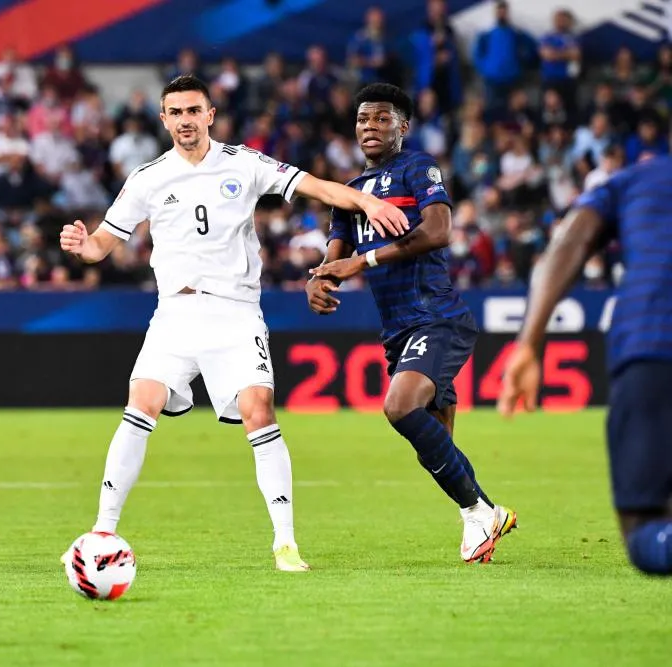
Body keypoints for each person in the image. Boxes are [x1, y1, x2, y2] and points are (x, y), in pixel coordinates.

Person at [58, 75, 410, 572]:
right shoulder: (147, 178)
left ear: (210, 115)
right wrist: (81, 245)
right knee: (141, 403)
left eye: (193, 111)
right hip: (174, 314)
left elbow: (315, 186)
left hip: (236, 312)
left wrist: (368, 202)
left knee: (258, 411)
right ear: (164, 120)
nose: (185, 120)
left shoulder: (244, 163)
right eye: (175, 112)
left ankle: (285, 544)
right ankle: (102, 531)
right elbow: (100, 246)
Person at [308, 83, 517, 563]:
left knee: (399, 406)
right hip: (398, 329)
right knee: (435, 445)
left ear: (402, 126)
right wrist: (317, 280)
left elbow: (438, 231)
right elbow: (335, 255)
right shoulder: (350, 193)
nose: (370, 127)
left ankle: (480, 512)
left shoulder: (418, 168)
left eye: (382, 119)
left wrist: (362, 262)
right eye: (363, 119)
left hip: (437, 316)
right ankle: (483, 517)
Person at [498, 156, 672, 575]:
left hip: (654, 339)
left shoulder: (637, 180)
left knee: (643, 529)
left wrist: (529, 343)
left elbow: (571, 240)